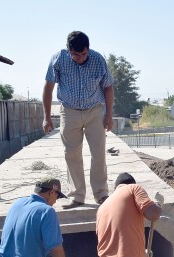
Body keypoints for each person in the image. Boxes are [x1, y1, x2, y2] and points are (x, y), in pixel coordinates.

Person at [42, 31, 114, 209]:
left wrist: (109, 115)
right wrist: (47, 117)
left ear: (88, 50)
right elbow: (48, 88)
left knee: (98, 153)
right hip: (69, 111)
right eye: (76, 54)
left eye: (84, 54)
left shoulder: (98, 60)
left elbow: (108, 87)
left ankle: (101, 194)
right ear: (69, 51)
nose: (80, 58)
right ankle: (77, 195)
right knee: (72, 154)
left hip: (94, 111)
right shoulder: (58, 59)